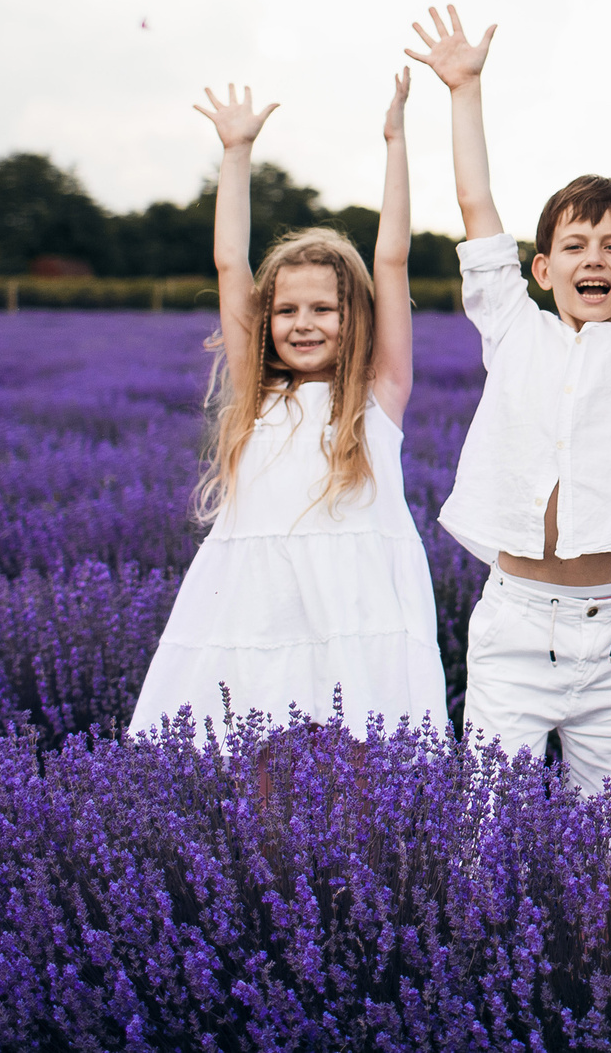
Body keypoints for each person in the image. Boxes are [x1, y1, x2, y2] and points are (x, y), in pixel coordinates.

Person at [408, 2, 611, 800]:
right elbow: (477, 210)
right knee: (489, 837)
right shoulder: (514, 328)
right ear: (542, 269)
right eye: (575, 245)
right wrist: (464, 90)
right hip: (516, 624)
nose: (596, 258)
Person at [131, 72, 450, 740]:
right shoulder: (257, 397)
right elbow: (228, 264)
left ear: (352, 315)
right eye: (286, 309)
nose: (303, 323)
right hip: (258, 610)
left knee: (365, 761)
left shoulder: (377, 398)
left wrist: (396, 142)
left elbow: (391, 259)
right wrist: (236, 153)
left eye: (324, 308)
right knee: (255, 759)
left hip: (357, 609)